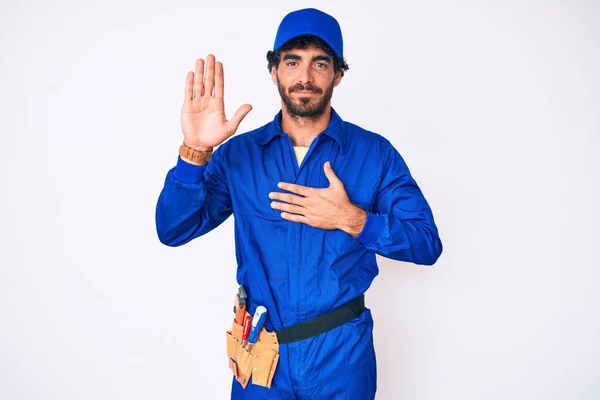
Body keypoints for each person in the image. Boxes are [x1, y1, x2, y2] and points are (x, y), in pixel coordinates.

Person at [155, 7, 442, 400]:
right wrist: (195, 153)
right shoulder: (239, 156)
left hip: (341, 357)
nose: (304, 76)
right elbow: (173, 230)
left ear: (337, 74)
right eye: (292, 61)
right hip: (260, 358)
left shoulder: (375, 154)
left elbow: (426, 243)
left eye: (319, 63)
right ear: (274, 70)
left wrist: (354, 219)